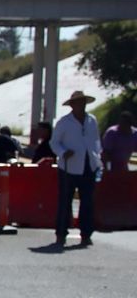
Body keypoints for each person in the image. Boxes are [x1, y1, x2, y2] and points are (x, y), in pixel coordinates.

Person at [51, 90, 102, 247]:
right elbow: (54, 142)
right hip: (69, 167)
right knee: (65, 202)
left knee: (87, 202)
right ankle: (61, 233)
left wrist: (97, 158)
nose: (81, 105)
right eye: (78, 102)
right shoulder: (64, 122)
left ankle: (86, 234)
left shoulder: (92, 120)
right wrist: (63, 152)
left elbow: (96, 141)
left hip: (89, 165)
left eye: (83, 102)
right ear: (72, 105)